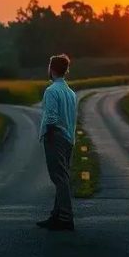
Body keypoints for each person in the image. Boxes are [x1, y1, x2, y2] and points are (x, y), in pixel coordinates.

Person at [37, 54, 78, 231]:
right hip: (68, 137)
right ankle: (57, 215)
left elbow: (52, 117)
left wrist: (49, 134)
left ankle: (66, 218)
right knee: (62, 176)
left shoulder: (51, 91)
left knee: (59, 177)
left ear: (52, 69)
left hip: (56, 137)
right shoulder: (70, 92)